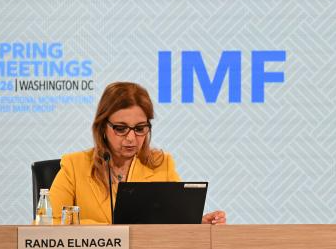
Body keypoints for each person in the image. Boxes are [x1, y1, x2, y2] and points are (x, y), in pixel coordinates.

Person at [49, 81, 227, 225]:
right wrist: (107, 232)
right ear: (102, 127)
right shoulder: (74, 166)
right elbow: (48, 223)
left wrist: (197, 223)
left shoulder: (162, 164)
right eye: (121, 128)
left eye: (140, 128)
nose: (131, 138)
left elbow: (175, 221)